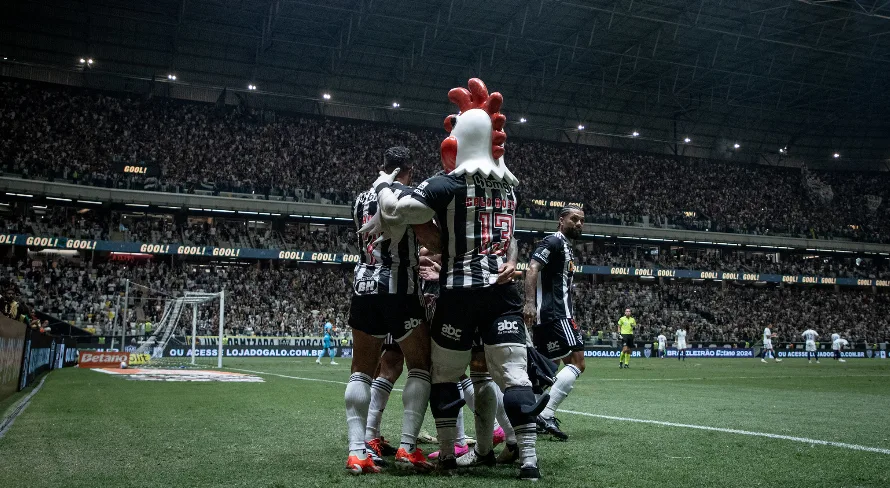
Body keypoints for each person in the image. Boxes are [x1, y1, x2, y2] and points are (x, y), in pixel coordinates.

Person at [362, 78, 545, 480]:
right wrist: (508, 259)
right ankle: (529, 459)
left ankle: (448, 454)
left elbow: (398, 210)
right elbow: (510, 239)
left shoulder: (448, 182)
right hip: (502, 293)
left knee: (445, 375)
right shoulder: (510, 191)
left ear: (458, 141)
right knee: (512, 374)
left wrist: (384, 183)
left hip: (458, 291)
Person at [343, 146, 433, 475]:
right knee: (421, 366)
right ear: (408, 169)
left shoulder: (359, 200)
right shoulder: (407, 194)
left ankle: (358, 451)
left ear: (383, 166)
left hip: (364, 286)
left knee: (361, 370)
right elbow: (432, 240)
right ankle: (408, 448)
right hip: (401, 290)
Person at [523, 205, 586, 441]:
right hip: (557, 314)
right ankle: (546, 414)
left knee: (544, 371)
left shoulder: (567, 247)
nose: (579, 223)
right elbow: (531, 269)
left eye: (582, 220)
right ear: (561, 220)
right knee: (578, 363)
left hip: (549, 316)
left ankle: (527, 416)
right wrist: (529, 303)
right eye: (574, 219)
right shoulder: (553, 242)